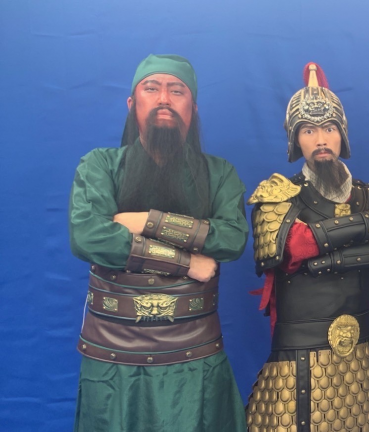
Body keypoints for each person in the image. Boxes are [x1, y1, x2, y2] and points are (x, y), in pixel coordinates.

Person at [69, 54, 248, 432]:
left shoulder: (219, 174)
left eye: (177, 91)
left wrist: (144, 221)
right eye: (152, 88)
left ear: (193, 109)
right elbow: (88, 236)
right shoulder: (100, 166)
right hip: (113, 359)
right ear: (131, 103)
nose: (164, 98)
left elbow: (231, 239)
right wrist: (187, 263)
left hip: (195, 357)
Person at [245, 62, 369, 432]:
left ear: (342, 135)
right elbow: (289, 249)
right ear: (296, 140)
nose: (320, 138)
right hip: (298, 354)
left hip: (361, 350)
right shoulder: (278, 195)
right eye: (309, 130)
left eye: (329, 128)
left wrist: (327, 257)